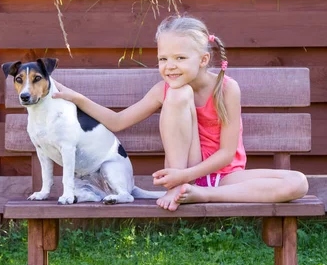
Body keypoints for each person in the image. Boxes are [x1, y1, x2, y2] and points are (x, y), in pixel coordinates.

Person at [52, 15, 309, 211]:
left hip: (223, 177)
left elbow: (227, 153)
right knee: (177, 92)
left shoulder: (227, 88)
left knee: (298, 182)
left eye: (180, 58)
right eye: (163, 59)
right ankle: (178, 190)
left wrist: (189, 179)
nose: (170, 66)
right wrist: (77, 98)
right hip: (184, 169)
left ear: (203, 60)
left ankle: (198, 194)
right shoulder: (164, 90)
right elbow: (118, 122)